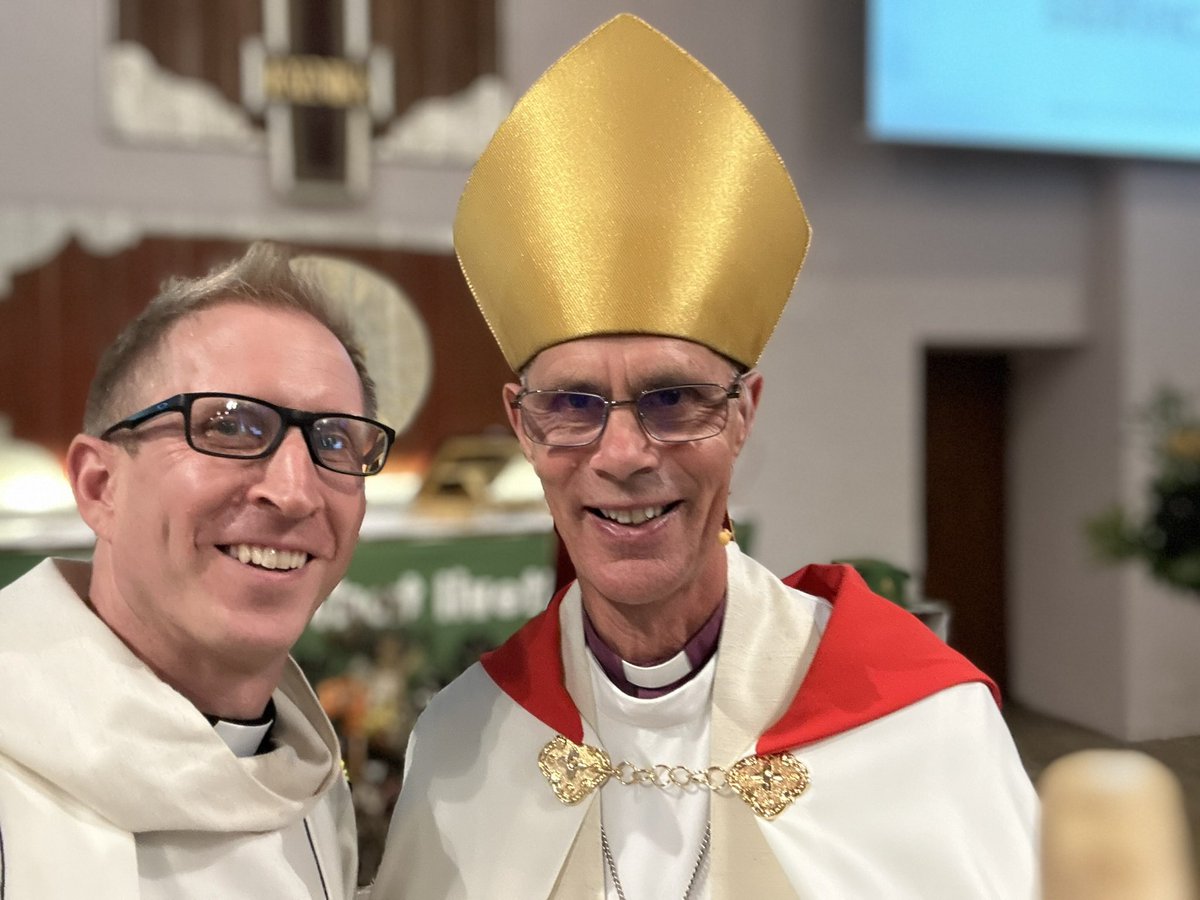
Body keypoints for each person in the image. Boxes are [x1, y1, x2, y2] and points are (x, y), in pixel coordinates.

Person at [372, 14, 1037, 900]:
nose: (622, 454)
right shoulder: (465, 740)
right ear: (523, 428)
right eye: (571, 404)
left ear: (743, 412)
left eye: (672, 399)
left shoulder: (922, 727)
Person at [0, 242, 395, 898]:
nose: (295, 492)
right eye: (231, 426)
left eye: (333, 441)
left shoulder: (312, 788)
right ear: (100, 486)